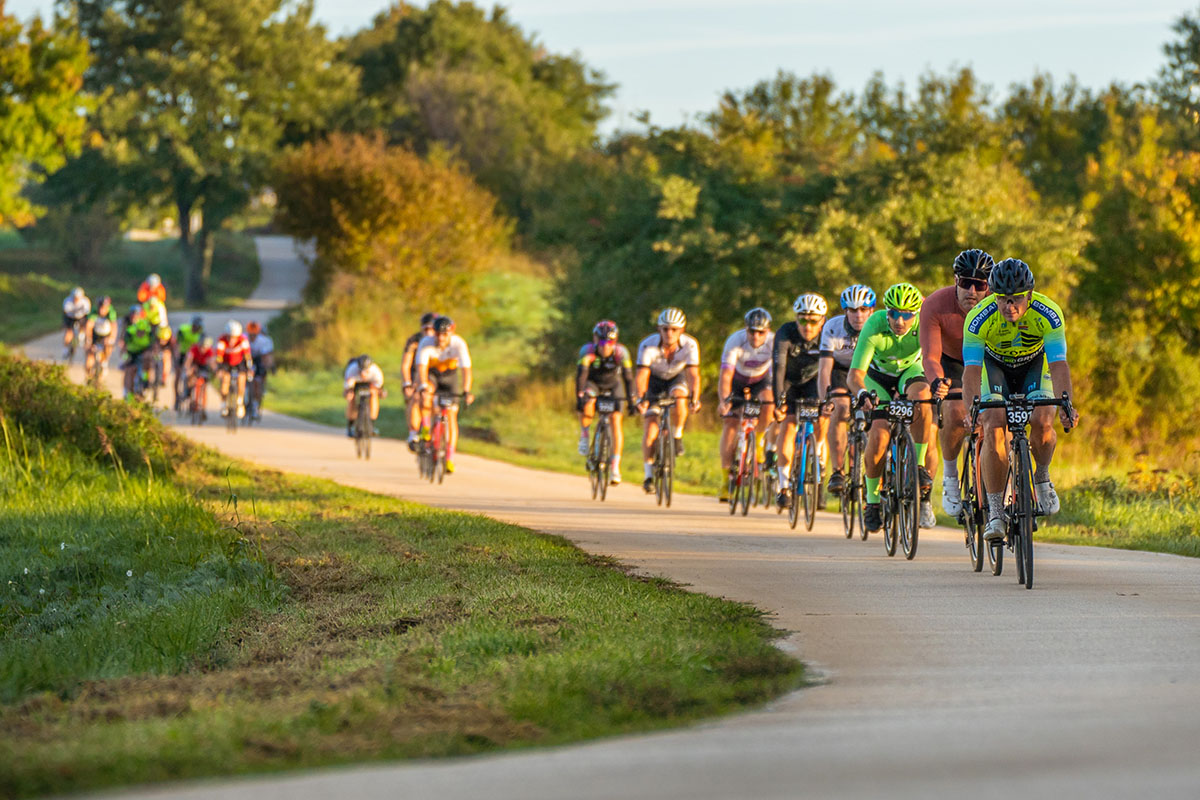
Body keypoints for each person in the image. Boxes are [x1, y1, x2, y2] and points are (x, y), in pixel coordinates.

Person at [961, 258, 1079, 542]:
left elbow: (1059, 363)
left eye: (1015, 299)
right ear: (994, 295)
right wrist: (971, 409)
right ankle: (995, 513)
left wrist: (1066, 404)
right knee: (993, 423)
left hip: (1034, 366)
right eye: (1002, 299)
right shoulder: (978, 317)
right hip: (995, 368)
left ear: (1029, 295)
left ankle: (1041, 477)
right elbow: (971, 370)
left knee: (1042, 419)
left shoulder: (1048, 313)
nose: (1008, 306)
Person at [847, 282, 937, 532]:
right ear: (886, 312)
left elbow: (934, 359)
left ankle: (918, 467)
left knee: (922, 398)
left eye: (907, 314)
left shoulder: (924, 324)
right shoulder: (874, 325)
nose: (899, 320)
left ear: (916, 314)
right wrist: (862, 392)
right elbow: (854, 374)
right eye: (894, 313)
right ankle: (872, 502)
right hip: (878, 378)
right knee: (878, 435)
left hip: (911, 371)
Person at [921, 249, 994, 517]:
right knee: (953, 411)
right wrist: (936, 381)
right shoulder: (935, 304)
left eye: (980, 285)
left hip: (987, 361)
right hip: (952, 362)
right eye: (966, 283)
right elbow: (930, 356)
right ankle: (950, 477)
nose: (972, 291)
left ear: (990, 287)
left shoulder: (1000, 304)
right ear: (955, 280)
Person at [633, 307, 702, 494]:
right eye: (665, 329)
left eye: (674, 329)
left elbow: (693, 375)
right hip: (653, 381)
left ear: (682, 329)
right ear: (659, 329)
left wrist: (695, 397)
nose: (669, 333)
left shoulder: (690, 344)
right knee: (650, 427)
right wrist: (641, 398)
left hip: (675, 378)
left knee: (680, 398)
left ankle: (677, 434)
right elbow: (641, 376)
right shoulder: (648, 345)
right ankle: (648, 475)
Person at [816, 285, 875, 495]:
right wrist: (826, 400)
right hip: (840, 371)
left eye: (863, 309)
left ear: (871, 311)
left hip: (868, 371)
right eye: (852, 310)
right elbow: (824, 369)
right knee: (840, 409)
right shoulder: (832, 327)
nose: (858, 315)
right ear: (845, 311)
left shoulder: (878, 325)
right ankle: (838, 471)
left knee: (874, 413)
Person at [772, 295, 827, 507]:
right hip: (789, 382)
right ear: (796, 319)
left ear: (822, 321)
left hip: (815, 381)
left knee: (824, 417)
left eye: (813, 320)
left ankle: (819, 454)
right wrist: (779, 402)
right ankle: (784, 485)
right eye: (803, 319)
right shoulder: (785, 333)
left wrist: (828, 401)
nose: (808, 326)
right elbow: (778, 369)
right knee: (788, 425)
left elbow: (830, 369)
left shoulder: (827, 334)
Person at [717, 307, 775, 502]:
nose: (756, 336)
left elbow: (777, 376)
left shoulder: (774, 342)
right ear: (746, 329)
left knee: (770, 400)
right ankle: (725, 480)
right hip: (737, 380)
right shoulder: (735, 341)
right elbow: (725, 375)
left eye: (761, 332)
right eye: (752, 331)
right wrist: (724, 401)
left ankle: (758, 440)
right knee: (730, 424)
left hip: (761, 380)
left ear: (767, 331)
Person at [576, 320, 635, 485]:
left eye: (610, 342)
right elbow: (581, 377)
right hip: (593, 383)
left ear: (615, 341)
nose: (605, 346)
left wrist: (631, 400)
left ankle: (615, 467)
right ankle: (585, 435)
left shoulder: (621, 353)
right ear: (595, 340)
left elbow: (628, 378)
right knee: (588, 403)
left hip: (613, 384)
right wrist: (580, 398)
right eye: (601, 342)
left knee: (616, 421)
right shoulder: (587, 352)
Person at [416, 316, 474, 473]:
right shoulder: (426, 343)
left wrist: (467, 390)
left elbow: (466, 370)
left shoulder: (459, 344)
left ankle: (449, 457)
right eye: (437, 334)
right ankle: (426, 427)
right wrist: (422, 386)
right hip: (432, 375)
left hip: (450, 378)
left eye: (444, 335)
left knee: (450, 417)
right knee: (426, 393)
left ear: (451, 333)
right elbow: (421, 368)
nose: (440, 338)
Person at [402, 312, 438, 450]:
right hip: (414, 372)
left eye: (431, 329)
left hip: (432, 373)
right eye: (426, 329)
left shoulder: (440, 339)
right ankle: (413, 434)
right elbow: (406, 365)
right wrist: (407, 383)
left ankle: (436, 429)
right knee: (414, 397)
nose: (429, 332)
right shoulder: (414, 341)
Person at [215, 320, 252, 418]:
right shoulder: (222, 340)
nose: (232, 340)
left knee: (241, 381)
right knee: (225, 382)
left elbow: (247, 355)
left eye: (234, 337)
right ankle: (224, 405)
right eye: (230, 337)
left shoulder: (243, 340)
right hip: (226, 363)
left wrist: (249, 368)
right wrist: (219, 368)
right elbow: (219, 356)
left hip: (239, 362)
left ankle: (239, 403)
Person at [344, 353, 385, 437]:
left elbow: (379, 387)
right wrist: (349, 392)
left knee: (374, 396)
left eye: (366, 371)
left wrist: (379, 392)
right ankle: (350, 425)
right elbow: (347, 388)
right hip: (355, 383)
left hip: (370, 384)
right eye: (361, 371)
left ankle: (372, 424)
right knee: (351, 398)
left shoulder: (376, 371)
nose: (364, 374)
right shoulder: (352, 369)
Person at [120, 305, 153, 400]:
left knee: (148, 358)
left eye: (143, 332)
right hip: (132, 352)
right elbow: (124, 346)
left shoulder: (148, 331)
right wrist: (125, 356)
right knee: (129, 371)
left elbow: (153, 345)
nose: (141, 334)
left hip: (143, 351)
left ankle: (145, 380)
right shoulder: (130, 331)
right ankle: (128, 394)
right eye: (139, 332)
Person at [174, 316, 205, 410]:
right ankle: (176, 397)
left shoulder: (201, 334)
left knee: (192, 375)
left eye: (198, 327)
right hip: (182, 353)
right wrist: (177, 357)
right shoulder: (183, 330)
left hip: (193, 356)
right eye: (195, 326)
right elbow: (176, 344)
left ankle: (190, 394)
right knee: (178, 375)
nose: (196, 329)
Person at [84, 295, 118, 377]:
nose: (102, 310)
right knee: (89, 353)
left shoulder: (111, 312)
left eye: (104, 308)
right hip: (95, 334)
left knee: (108, 346)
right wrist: (88, 339)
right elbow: (89, 326)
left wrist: (112, 338)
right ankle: (89, 375)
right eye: (100, 307)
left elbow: (114, 327)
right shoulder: (94, 311)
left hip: (106, 334)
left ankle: (104, 362)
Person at [184, 335, 217, 419]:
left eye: (205, 347)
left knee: (204, 386)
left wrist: (215, 370)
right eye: (202, 347)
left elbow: (212, 363)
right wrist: (187, 369)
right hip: (195, 365)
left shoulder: (209, 351)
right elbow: (188, 360)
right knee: (190, 378)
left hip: (204, 367)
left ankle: (203, 408)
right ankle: (188, 393)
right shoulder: (194, 349)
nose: (203, 349)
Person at [246, 321, 274, 420]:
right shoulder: (244, 338)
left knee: (257, 382)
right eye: (250, 334)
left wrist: (270, 367)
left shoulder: (264, 341)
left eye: (254, 334)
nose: (252, 336)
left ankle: (255, 406)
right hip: (246, 359)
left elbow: (266, 356)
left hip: (258, 360)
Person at [62, 287, 91, 361]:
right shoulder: (67, 301)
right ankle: (65, 349)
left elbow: (87, 312)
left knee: (85, 324)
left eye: (78, 297)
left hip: (80, 317)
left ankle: (81, 336)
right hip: (70, 317)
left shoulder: (85, 301)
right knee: (68, 332)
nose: (76, 299)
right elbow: (66, 311)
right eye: (75, 297)